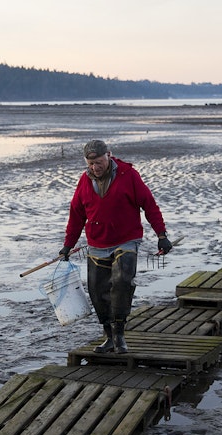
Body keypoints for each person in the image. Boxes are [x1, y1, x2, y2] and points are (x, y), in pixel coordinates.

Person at [59, 139, 172, 354]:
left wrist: (161, 235)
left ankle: (120, 335)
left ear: (109, 155)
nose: (95, 167)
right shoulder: (84, 181)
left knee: (121, 282)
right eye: (90, 164)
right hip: (97, 243)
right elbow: (76, 216)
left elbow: (149, 204)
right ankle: (108, 337)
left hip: (126, 240)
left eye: (99, 162)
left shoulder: (128, 175)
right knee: (97, 290)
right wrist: (67, 245)